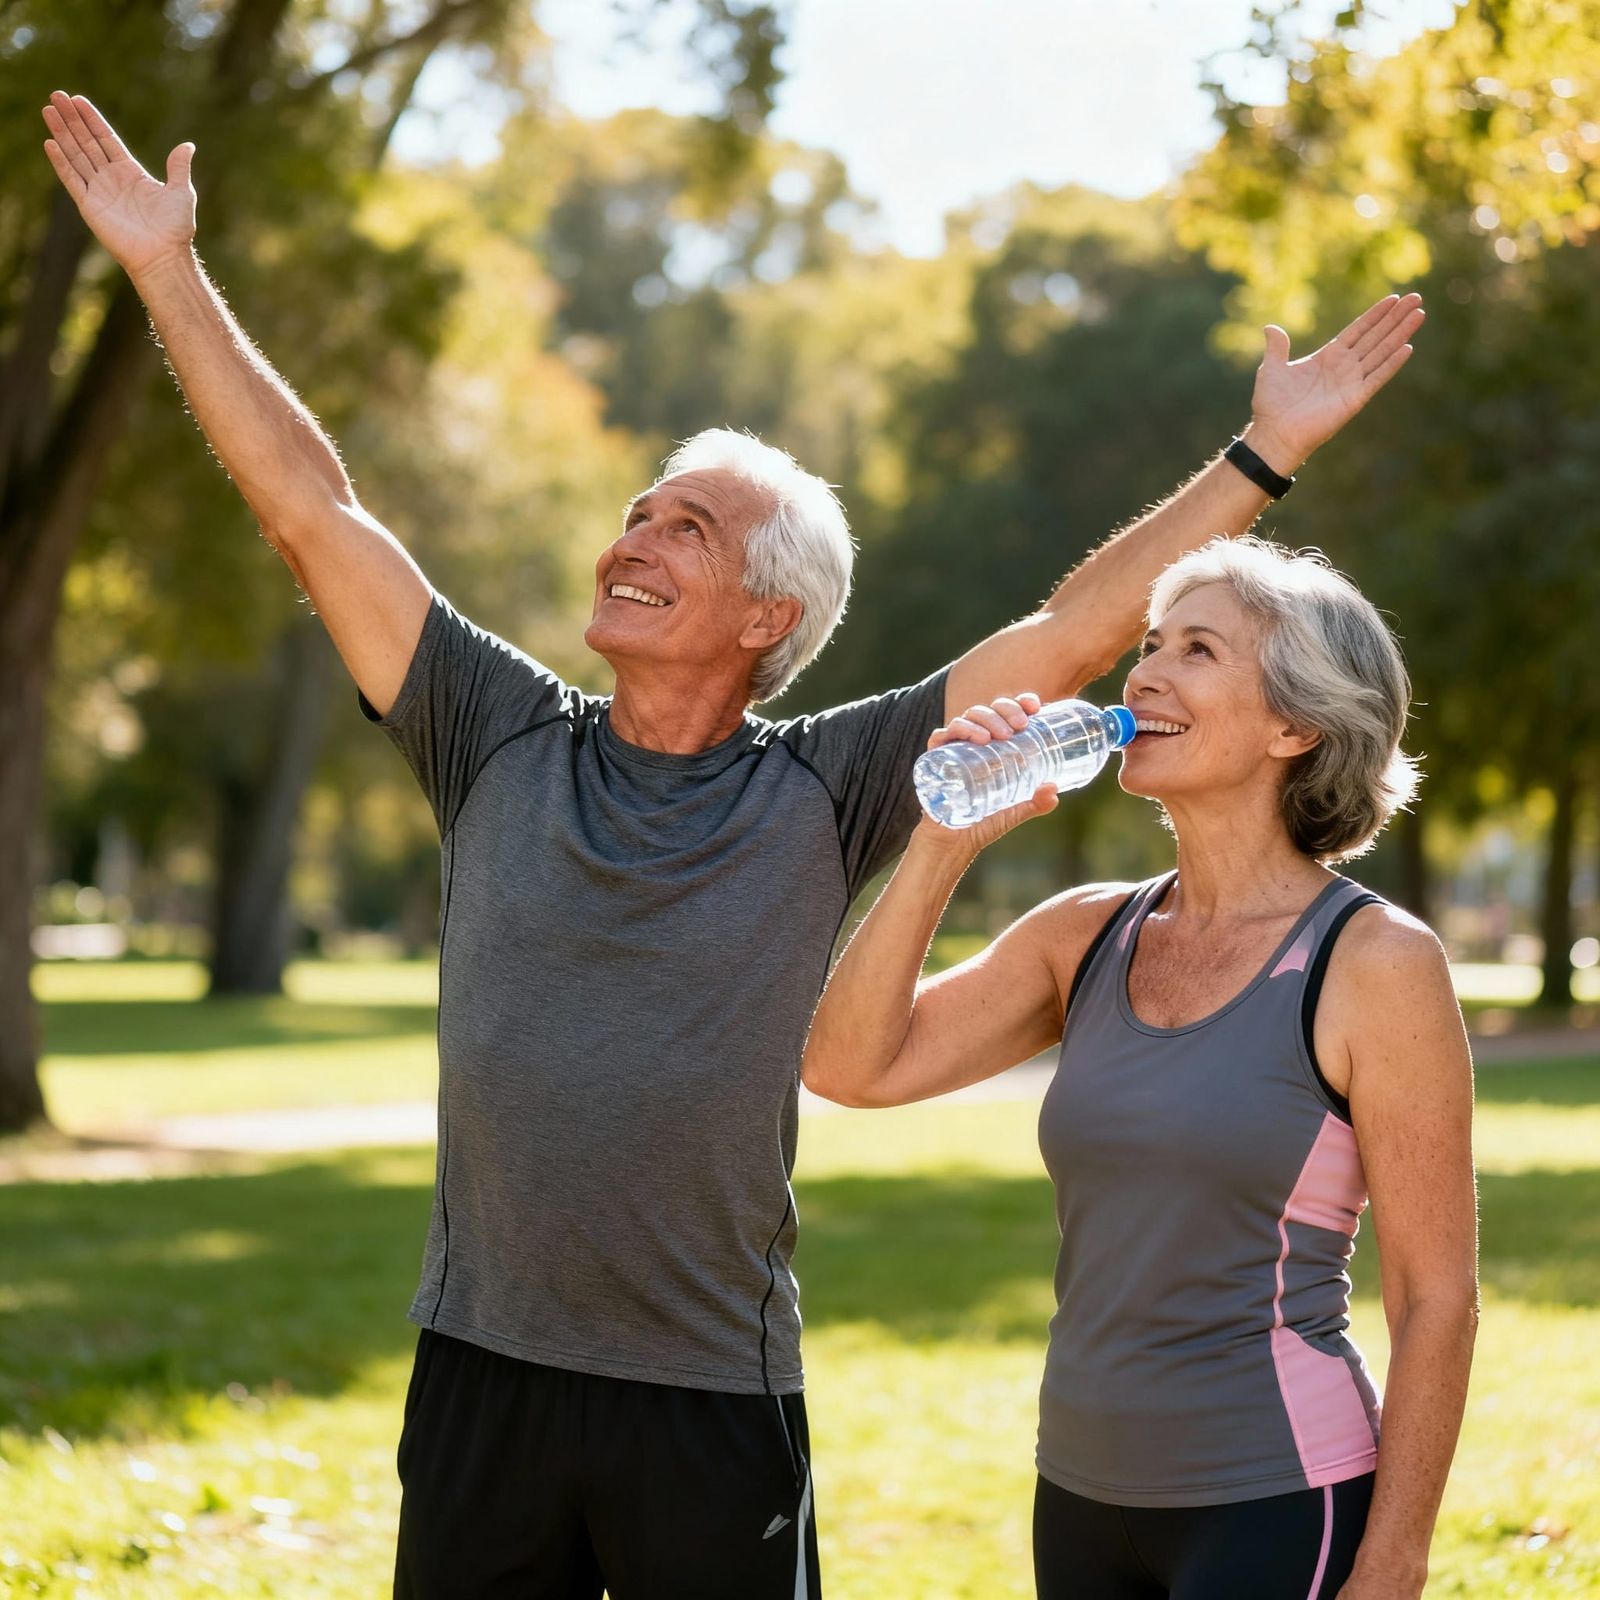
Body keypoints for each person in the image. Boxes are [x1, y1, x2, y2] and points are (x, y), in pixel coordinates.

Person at [43, 88, 1426, 1600]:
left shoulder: (829, 787)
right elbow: (315, 510)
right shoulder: (488, 730)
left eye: (684, 529)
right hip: (479, 1371)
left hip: (713, 1399)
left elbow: (1074, 630)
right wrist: (169, 271)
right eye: (636, 515)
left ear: (770, 617)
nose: (631, 541)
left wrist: (1260, 456)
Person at [802, 537, 1478, 1599]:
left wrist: (1392, 1558)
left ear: (1292, 724)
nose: (1144, 672)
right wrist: (942, 840)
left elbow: (1436, 1294)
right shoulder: (1083, 935)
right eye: (1150, 644)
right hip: (1076, 1491)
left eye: (1195, 650)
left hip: (1275, 1491)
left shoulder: (1375, 962)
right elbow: (847, 1066)